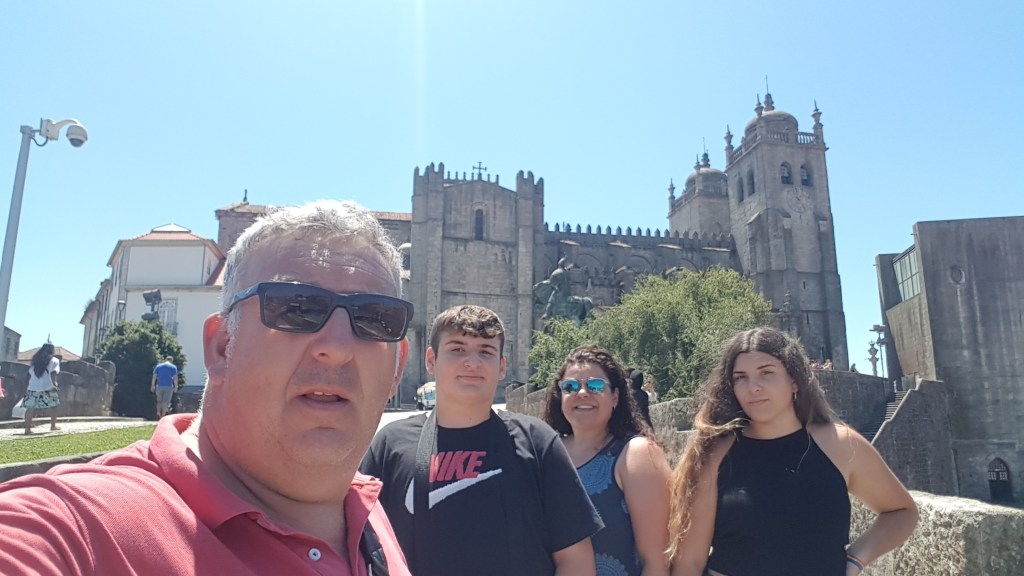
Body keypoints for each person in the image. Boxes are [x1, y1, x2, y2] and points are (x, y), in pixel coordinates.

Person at [0, 200, 414, 575]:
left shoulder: (366, 507)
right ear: (221, 347)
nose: (338, 348)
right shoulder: (78, 528)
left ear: (398, 366)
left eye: (375, 319)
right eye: (297, 308)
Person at [361, 305, 602, 576]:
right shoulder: (391, 444)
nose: (472, 362)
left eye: (486, 351)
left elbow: (576, 560)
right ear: (431, 360)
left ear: (501, 366)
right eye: (457, 349)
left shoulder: (537, 442)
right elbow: (356, 545)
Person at [667, 327, 918, 576]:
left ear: (795, 380)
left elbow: (901, 512)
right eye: (740, 377)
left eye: (766, 373)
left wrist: (855, 560)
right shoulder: (716, 453)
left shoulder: (840, 445)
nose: (753, 387)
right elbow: (689, 562)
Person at [544, 347, 671, 576]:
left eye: (595, 386)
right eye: (570, 386)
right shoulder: (546, 454)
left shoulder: (636, 455)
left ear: (615, 397)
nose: (582, 393)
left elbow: (657, 562)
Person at [23, 343, 61, 434]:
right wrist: (54, 384)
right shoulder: (54, 360)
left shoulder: (35, 360)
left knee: (30, 408)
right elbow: (53, 373)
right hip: (48, 385)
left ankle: (27, 429)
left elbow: (29, 373)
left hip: (33, 386)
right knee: (54, 406)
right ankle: (53, 425)